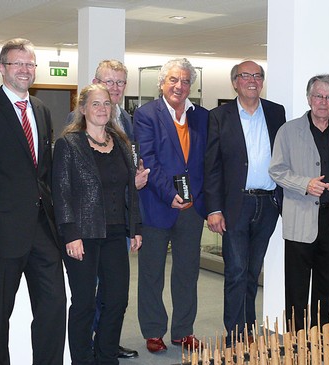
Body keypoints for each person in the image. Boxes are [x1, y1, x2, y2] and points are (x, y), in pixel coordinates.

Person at [0, 38, 67, 365]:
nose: (25, 70)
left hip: (42, 231)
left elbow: (44, 173)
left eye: (30, 64)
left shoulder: (41, 110)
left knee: (53, 306)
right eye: (17, 64)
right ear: (2, 68)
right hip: (1, 233)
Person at [52, 84, 142, 365]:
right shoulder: (69, 144)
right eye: (95, 104)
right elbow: (61, 192)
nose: (103, 109)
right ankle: (82, 359)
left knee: (116, 301)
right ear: (83, 109)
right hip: (83, 235)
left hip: (116, 233)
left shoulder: (122, 142)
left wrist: (135, 228)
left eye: (107, 104)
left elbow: (130, 190)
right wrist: (70, 234)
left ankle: (106, 357)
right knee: (84, 304)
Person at [269, 74, 329, 332]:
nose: (323, 102)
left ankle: (320, 338)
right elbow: (276, 170)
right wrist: (305, 184)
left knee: (327, 288)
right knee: (297, 290)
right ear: (309, 98)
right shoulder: (288, 131)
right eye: (318, 96)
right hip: (300, 220)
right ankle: (297, 343)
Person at [204, 60, 286, 344]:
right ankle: (235, 335)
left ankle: (248, 330)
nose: (252, 80)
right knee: (236, 271)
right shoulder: (219, 116)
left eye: (257, 75)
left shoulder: (276, 112)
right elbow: (211, 166)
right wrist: (213, 208)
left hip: (267, 205)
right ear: (235, 82)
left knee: (252, 271)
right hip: (234, 205)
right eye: (245, 75)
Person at [134, 58, 207, 353]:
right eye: (174, 80)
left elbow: (206, 162)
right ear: (162, 83)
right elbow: (148, 160)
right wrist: (170, 194)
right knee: (151, 272)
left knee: (187, 272)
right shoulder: (146, 114)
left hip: (192, 209)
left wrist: (199, 198)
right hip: (157, 205)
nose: (180, 86)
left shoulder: (202, 116)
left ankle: (183, 331)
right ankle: (153, 330)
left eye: (186, 81)